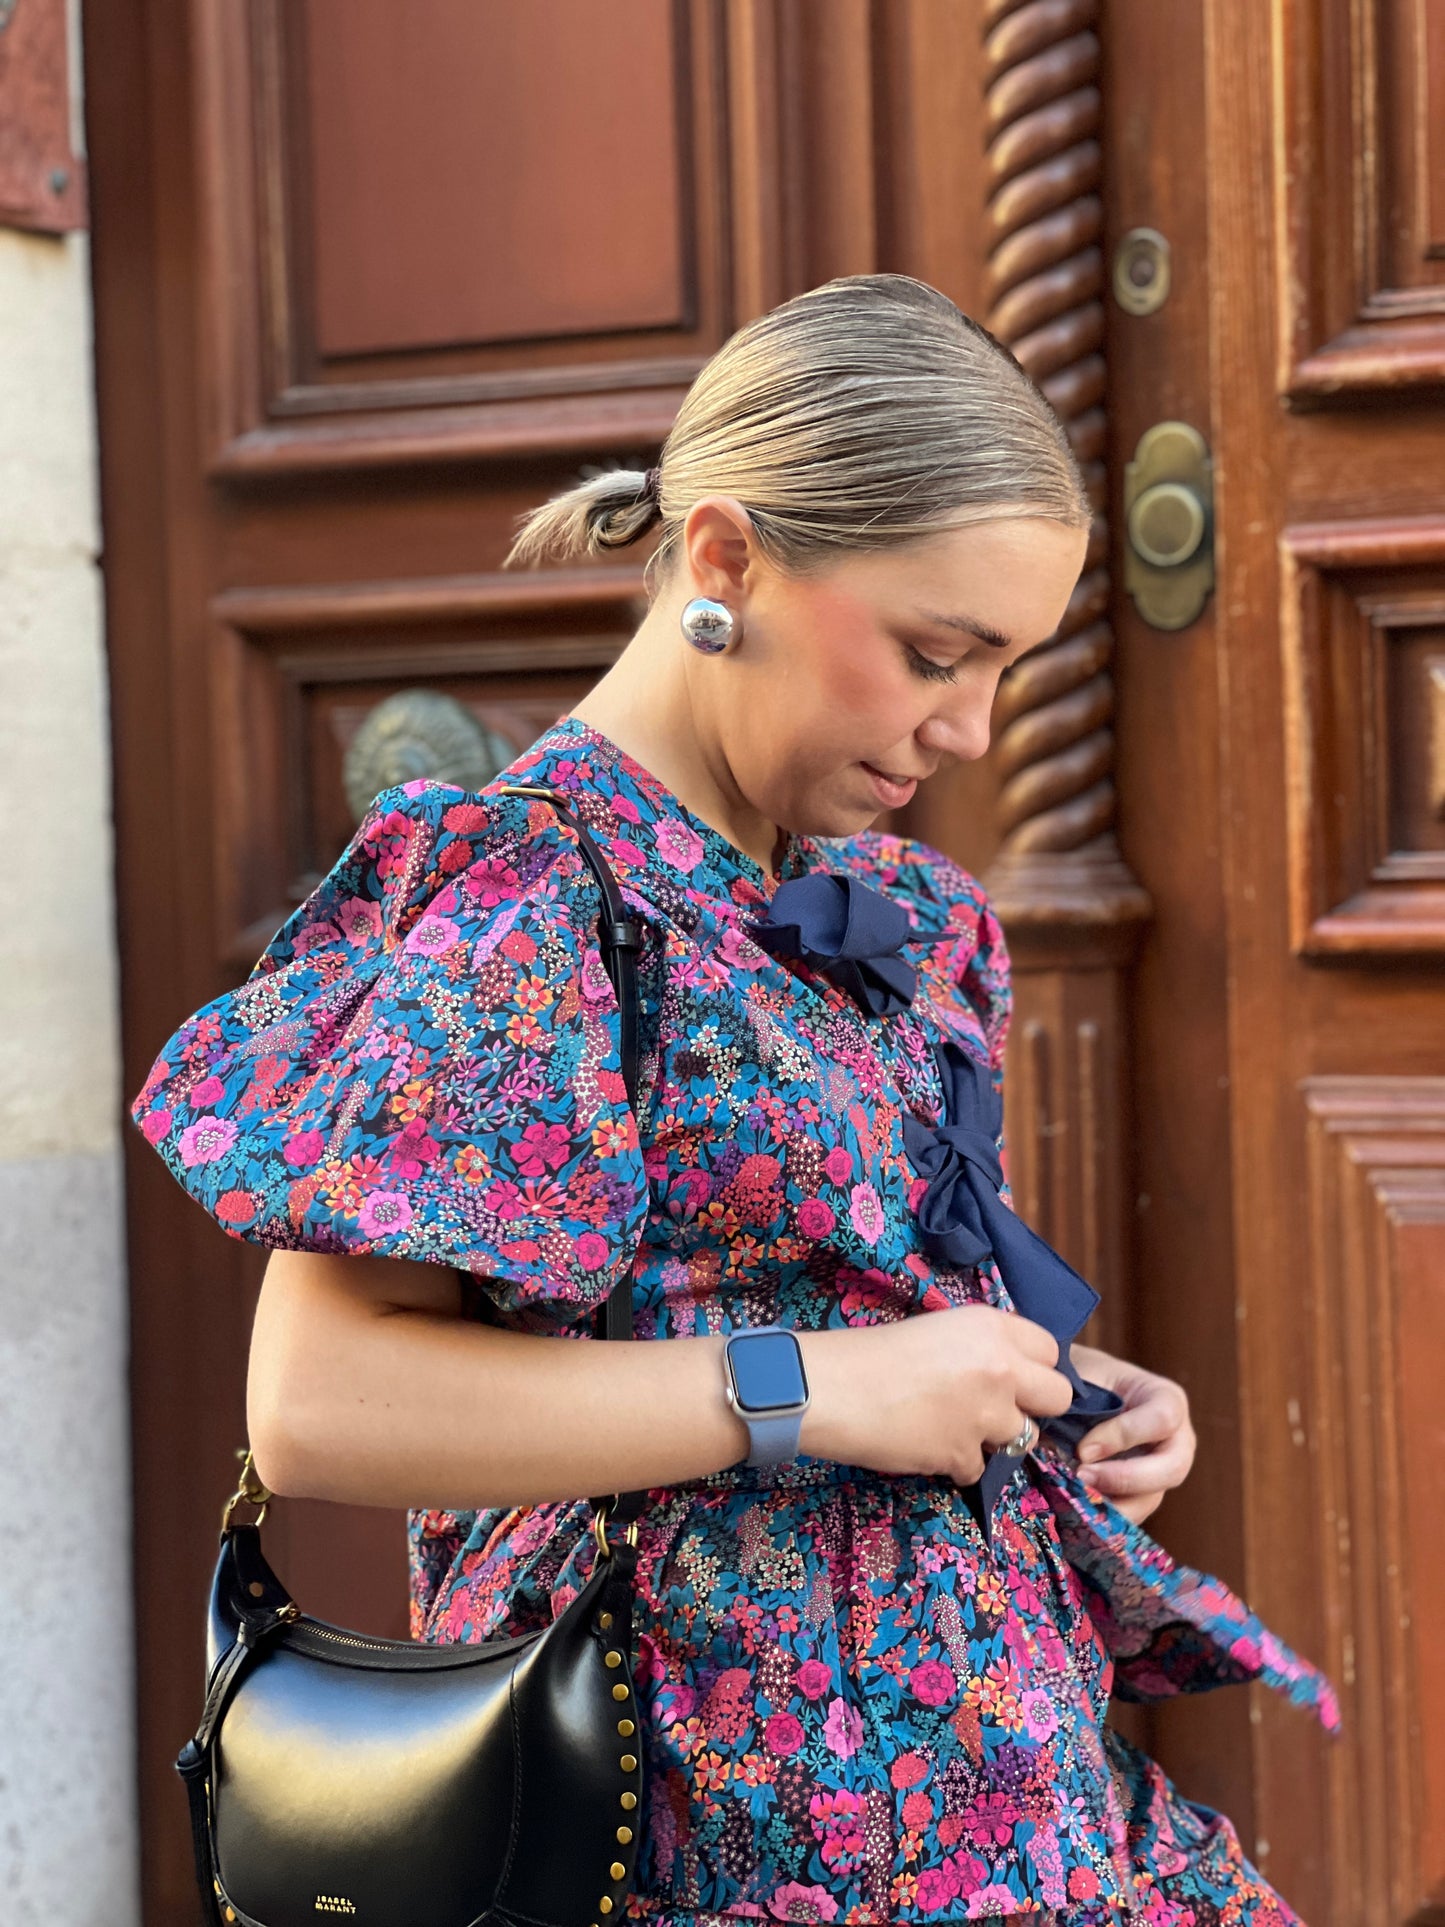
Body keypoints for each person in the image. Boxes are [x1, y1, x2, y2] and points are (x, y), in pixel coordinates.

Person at [132, 274, 1336, 1926]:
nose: (969, 728)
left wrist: (1045, 1385)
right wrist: (815, 1388)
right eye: (934, 652)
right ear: (721, 562)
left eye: (1005, 669)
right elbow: (322, 1402)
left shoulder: (905, 915)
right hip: (700, 1812)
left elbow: (846, 1304)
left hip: (1010, 1792)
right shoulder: (532, 895)